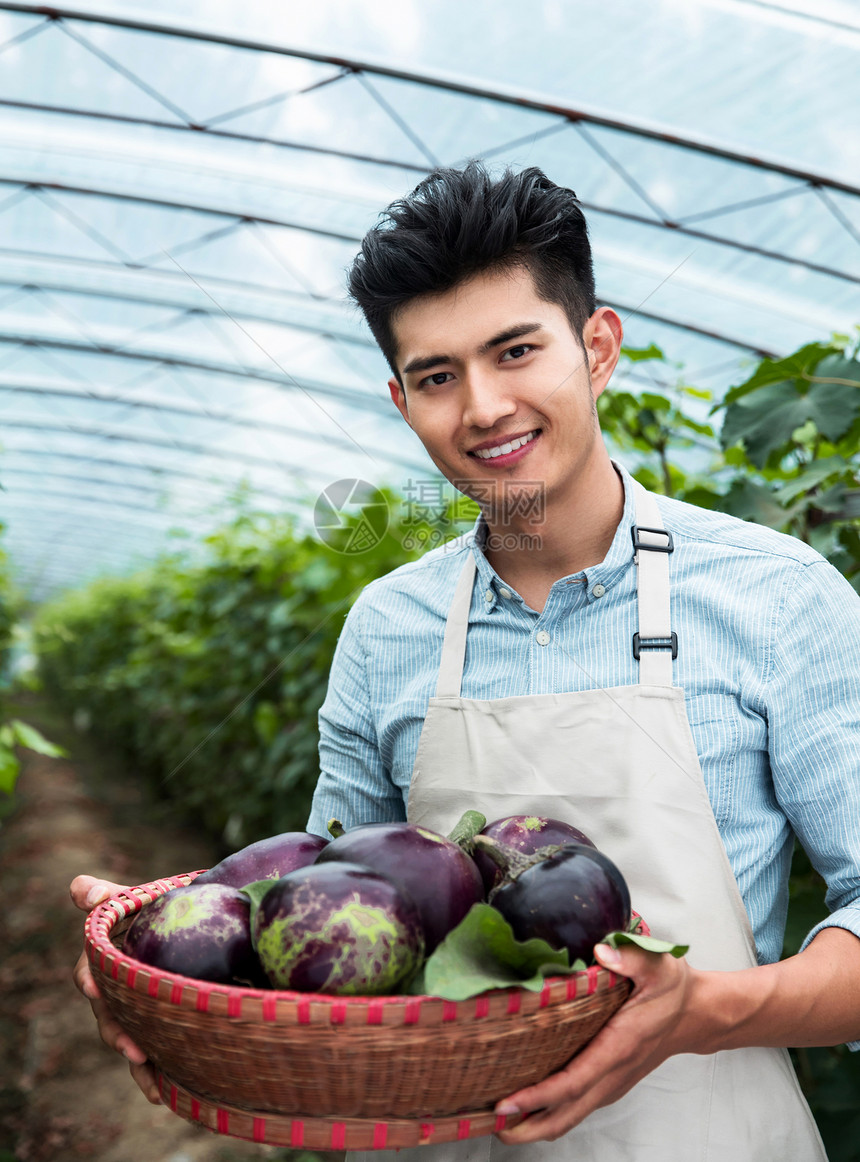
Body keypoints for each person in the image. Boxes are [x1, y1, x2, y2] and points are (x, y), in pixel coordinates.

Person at [72, 164, 860, 1160]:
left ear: (597, 347)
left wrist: (701, 1008)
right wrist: (160, 960)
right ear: (402, 401)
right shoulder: (388, 627)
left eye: (515, 350)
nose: (483, 406)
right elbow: (319, 915)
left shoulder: (773, 597)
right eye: (438, 376)